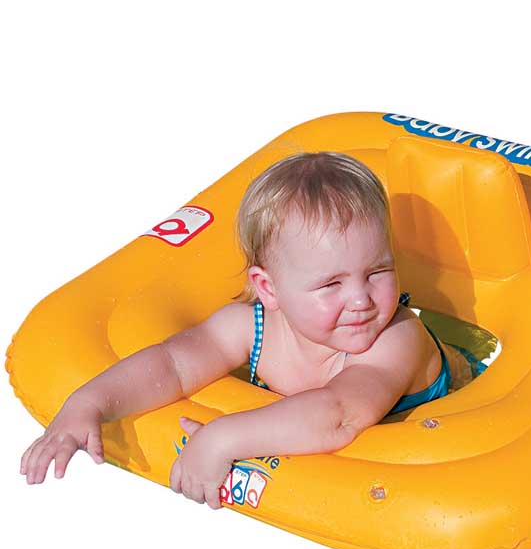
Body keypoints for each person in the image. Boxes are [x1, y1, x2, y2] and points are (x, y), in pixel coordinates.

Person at [19, 152, 487, 508]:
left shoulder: (394, 338)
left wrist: (222, 438)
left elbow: (339, 414)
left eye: (378, 271)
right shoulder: (252, 326)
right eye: (332, 284)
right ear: (269, 288)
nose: (362, 299)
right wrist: (88, 404)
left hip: (449, 411)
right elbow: (172, 364)